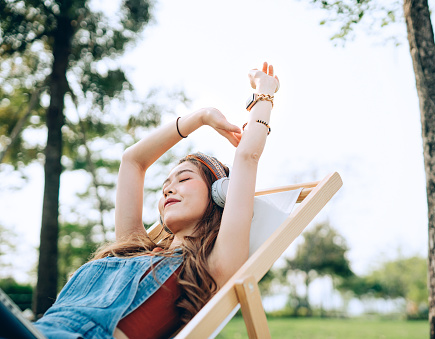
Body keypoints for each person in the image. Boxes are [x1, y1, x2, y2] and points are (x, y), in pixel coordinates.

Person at [32, 62, 279, 339]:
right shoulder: (133, 246)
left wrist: (265, 93)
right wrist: (201, 117)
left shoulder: (211, 266)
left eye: (184, 180)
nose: (169, 190)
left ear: (219, 193)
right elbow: (132, 161)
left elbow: (247, 156)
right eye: (164, 188)